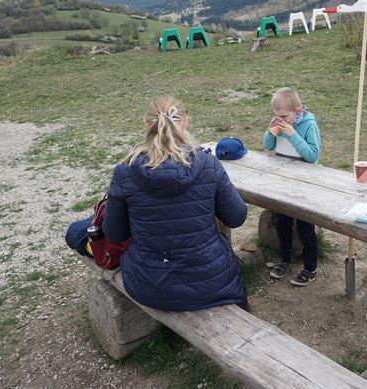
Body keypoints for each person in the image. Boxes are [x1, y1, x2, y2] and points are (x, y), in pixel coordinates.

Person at [101, 96, 249, 311]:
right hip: (210, 282)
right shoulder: (208, 164)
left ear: (146, 124)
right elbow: (237, 217)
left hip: (149, 284)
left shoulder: (125, 171)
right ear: (185, 122)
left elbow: (114, 234)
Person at [262, 87, 322, 286]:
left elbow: (313, 155)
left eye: (283, 116)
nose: (280, 119)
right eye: (276, 116)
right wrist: (271, 130)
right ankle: (285, 260)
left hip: (304, 183)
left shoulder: (308, 124)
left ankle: (310, 268)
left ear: (298, 110)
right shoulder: (281, 122)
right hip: (284, 181)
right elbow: (268, 145)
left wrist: (293, 134)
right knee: (282, 223)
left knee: (305, 226)